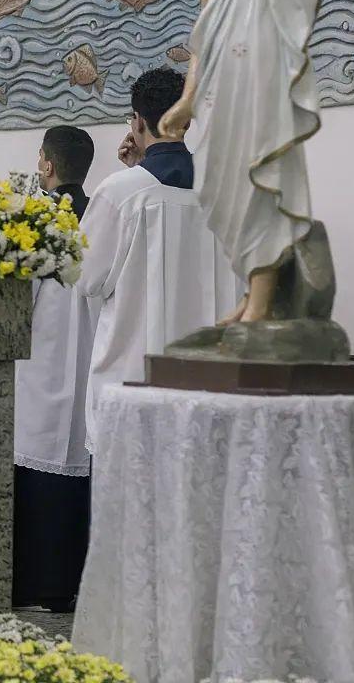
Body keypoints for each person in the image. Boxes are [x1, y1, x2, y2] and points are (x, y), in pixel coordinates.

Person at [159, 0, 334, 325]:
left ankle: (259, 305)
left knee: (260, 185)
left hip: (259, 83)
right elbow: (202, 39)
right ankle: (251, 292)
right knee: (225, 188)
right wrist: (187, 100)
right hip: (219, 88)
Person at [76, 69, 238, 453]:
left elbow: (84, 277)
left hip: (134, 384)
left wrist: (131, 175)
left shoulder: (120, 191)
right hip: (210, 383)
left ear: (137, 121)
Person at [13, 125, 99, 612]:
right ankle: (71, 581)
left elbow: (19, 293)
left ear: (46, 164)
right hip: (89, 351)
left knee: (36, 453)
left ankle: (35, 582)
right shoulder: (101, 212)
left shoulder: (38, 218)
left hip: (43, 351)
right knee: (74, 460)